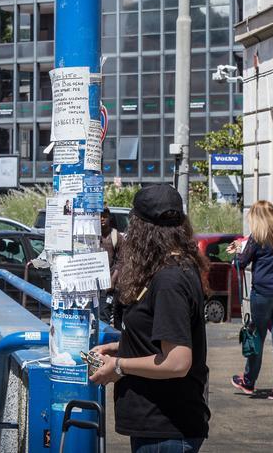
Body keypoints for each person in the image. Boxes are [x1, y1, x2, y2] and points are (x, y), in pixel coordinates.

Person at [88, 184, 210, 452]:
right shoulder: (174, 269)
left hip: (166, 427)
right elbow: (165, 337)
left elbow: (177, 361)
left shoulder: (169, 280)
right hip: (161, 425)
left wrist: (118, 365)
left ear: (143, 231)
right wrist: (122, 346)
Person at [228, 200, 273, 401]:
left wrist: (235, 257)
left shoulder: (257, 239)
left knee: (256, 337)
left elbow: (241, 262)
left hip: (264, 295)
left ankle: (248, 382)